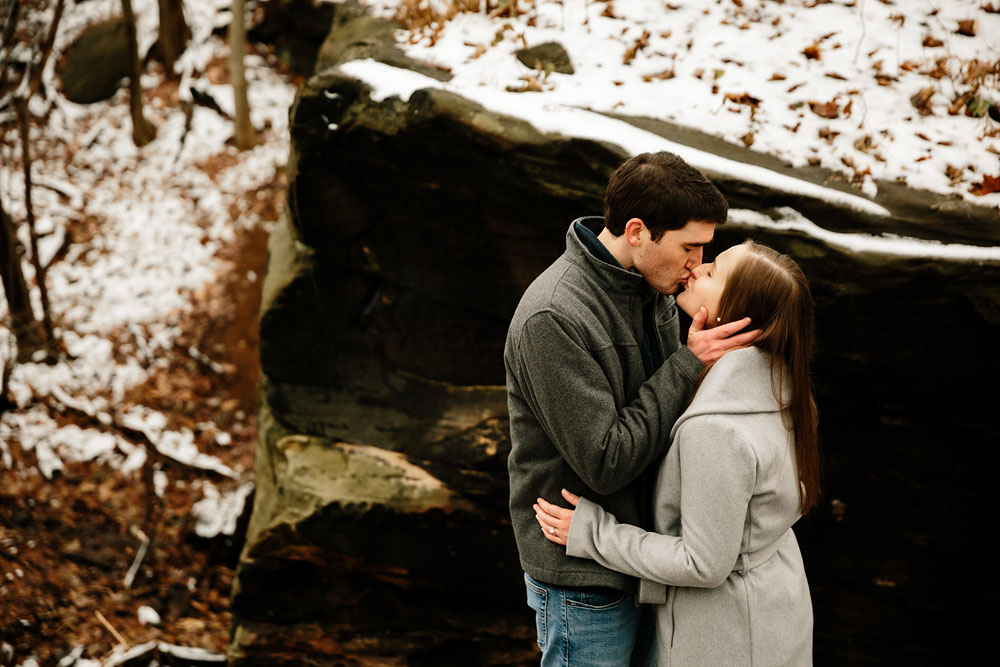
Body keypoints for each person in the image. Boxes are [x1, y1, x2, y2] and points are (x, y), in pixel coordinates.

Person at [504, 151, 759, 666]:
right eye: (690, 247)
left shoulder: (656, 287)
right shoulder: (554, 316)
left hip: (646, 557)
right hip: (584, 578)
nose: (697, 264)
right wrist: (689, 364)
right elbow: (606, 462)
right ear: (638, 231)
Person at [534, 240, 819, 667]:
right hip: (773, 610)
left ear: (736, 314)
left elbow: (702, 563)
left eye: (715, 272)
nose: (699, 268)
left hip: (728, 637)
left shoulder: (717, 429)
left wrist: (592, 532)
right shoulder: (781, 388)